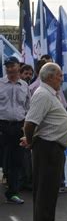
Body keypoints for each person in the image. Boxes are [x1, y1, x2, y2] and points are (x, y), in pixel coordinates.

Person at [21, 62, 67, 221]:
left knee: (50, 189)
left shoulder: (50, 94)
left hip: (52, 147)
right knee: (45, 189)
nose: (61, 78)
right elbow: (30, 123)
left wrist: (31, 138)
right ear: (50, 77)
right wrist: (30, 141)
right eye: (59, 75)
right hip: (47, 148)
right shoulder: (43, 94)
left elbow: (42, 124)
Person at [0, 56, 30, 205]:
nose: (10, 68)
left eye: (12, 65)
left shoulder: (25, 85)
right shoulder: (0, 84)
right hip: (2, 126)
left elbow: (28, 107)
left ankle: (12, 193)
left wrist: (26, 126)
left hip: (18, 126)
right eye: (8, 66)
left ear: (19, 66)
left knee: (16, 161)